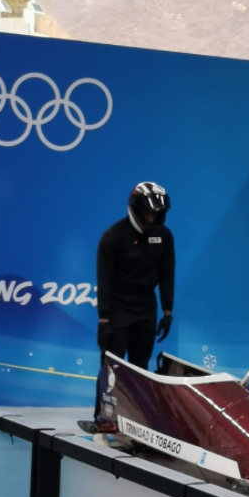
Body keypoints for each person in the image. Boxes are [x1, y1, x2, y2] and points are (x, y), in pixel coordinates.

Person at [93, 182, 175, 427]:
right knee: (112, 365)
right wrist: (104, 320)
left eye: (156, 214)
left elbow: (167, 273)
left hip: (146, 307)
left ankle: (138, 419)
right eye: (148, 213)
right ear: (136, 210)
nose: (152, 218)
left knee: (141, 366)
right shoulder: (113, 237)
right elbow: (104, 279)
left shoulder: (163, 235)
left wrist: (167, 310)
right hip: (118, 307)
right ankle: (104, 417)